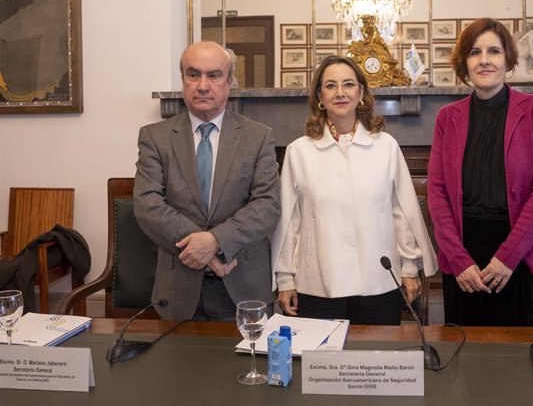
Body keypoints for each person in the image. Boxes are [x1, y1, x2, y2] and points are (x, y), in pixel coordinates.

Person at [271, 55, 437, 325]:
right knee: (318, 365)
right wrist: (285, 278)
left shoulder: (386, 146)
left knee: (377, 361)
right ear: (319, 97)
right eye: (330, 86)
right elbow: (290, 222)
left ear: (361, 93)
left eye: (348, 84)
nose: (340, 93)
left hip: (378, 280)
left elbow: (401, 212)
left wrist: (409, 266)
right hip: (317, 284)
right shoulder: (298, 151)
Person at [134, 41, 280, 321]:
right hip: (179, 286)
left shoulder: (258, 136)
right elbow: (147, 204)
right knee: (177, 364)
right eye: (193, 74)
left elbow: (267, 204)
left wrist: (215, 241)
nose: (202, 85)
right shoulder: (155, 137)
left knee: (246, 365)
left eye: (214, 75)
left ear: (229, 82)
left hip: (243, 284)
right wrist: (201, 249)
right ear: (183, 80)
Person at [427, 18, 533, 326]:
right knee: (464, 364)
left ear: (507, 59)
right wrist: (459, 261)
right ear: (465, 63)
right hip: (464, 261)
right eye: (475, 52)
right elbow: (437, 193)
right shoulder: (447, 118)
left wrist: (506, 258)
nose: (484, 59)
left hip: (520, 254)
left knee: (524, 364)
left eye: (494, 51)